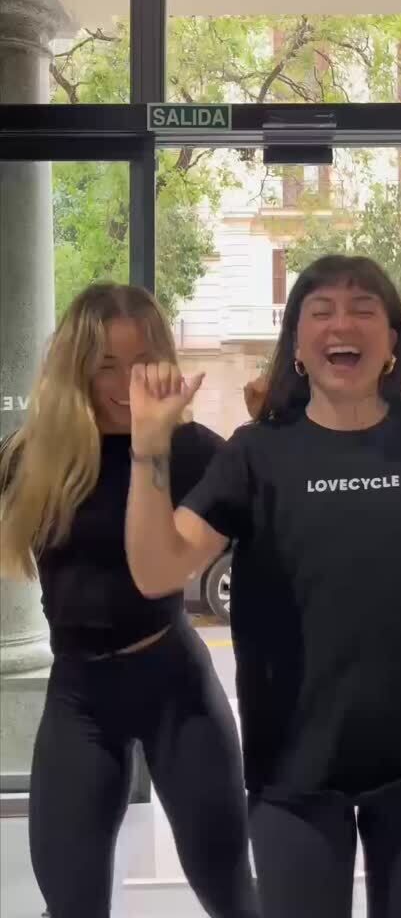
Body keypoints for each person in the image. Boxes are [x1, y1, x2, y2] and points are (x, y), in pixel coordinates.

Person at [124, 254, 401, 918]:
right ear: (297, 345)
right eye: (322, 311)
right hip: (295, 764)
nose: (343, 324)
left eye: (364, 310)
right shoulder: (256, 453)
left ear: (392, 342)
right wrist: (148, 450)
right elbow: (157, 569)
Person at [0, 283, 258, 918]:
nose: (125, 384)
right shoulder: (31, 457)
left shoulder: (192, 451)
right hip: (79, 694)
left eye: (141, 363)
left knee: (229, 892)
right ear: (75, 367)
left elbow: (277, 515)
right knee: (70, 900)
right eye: (106, 365)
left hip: (174, 683)